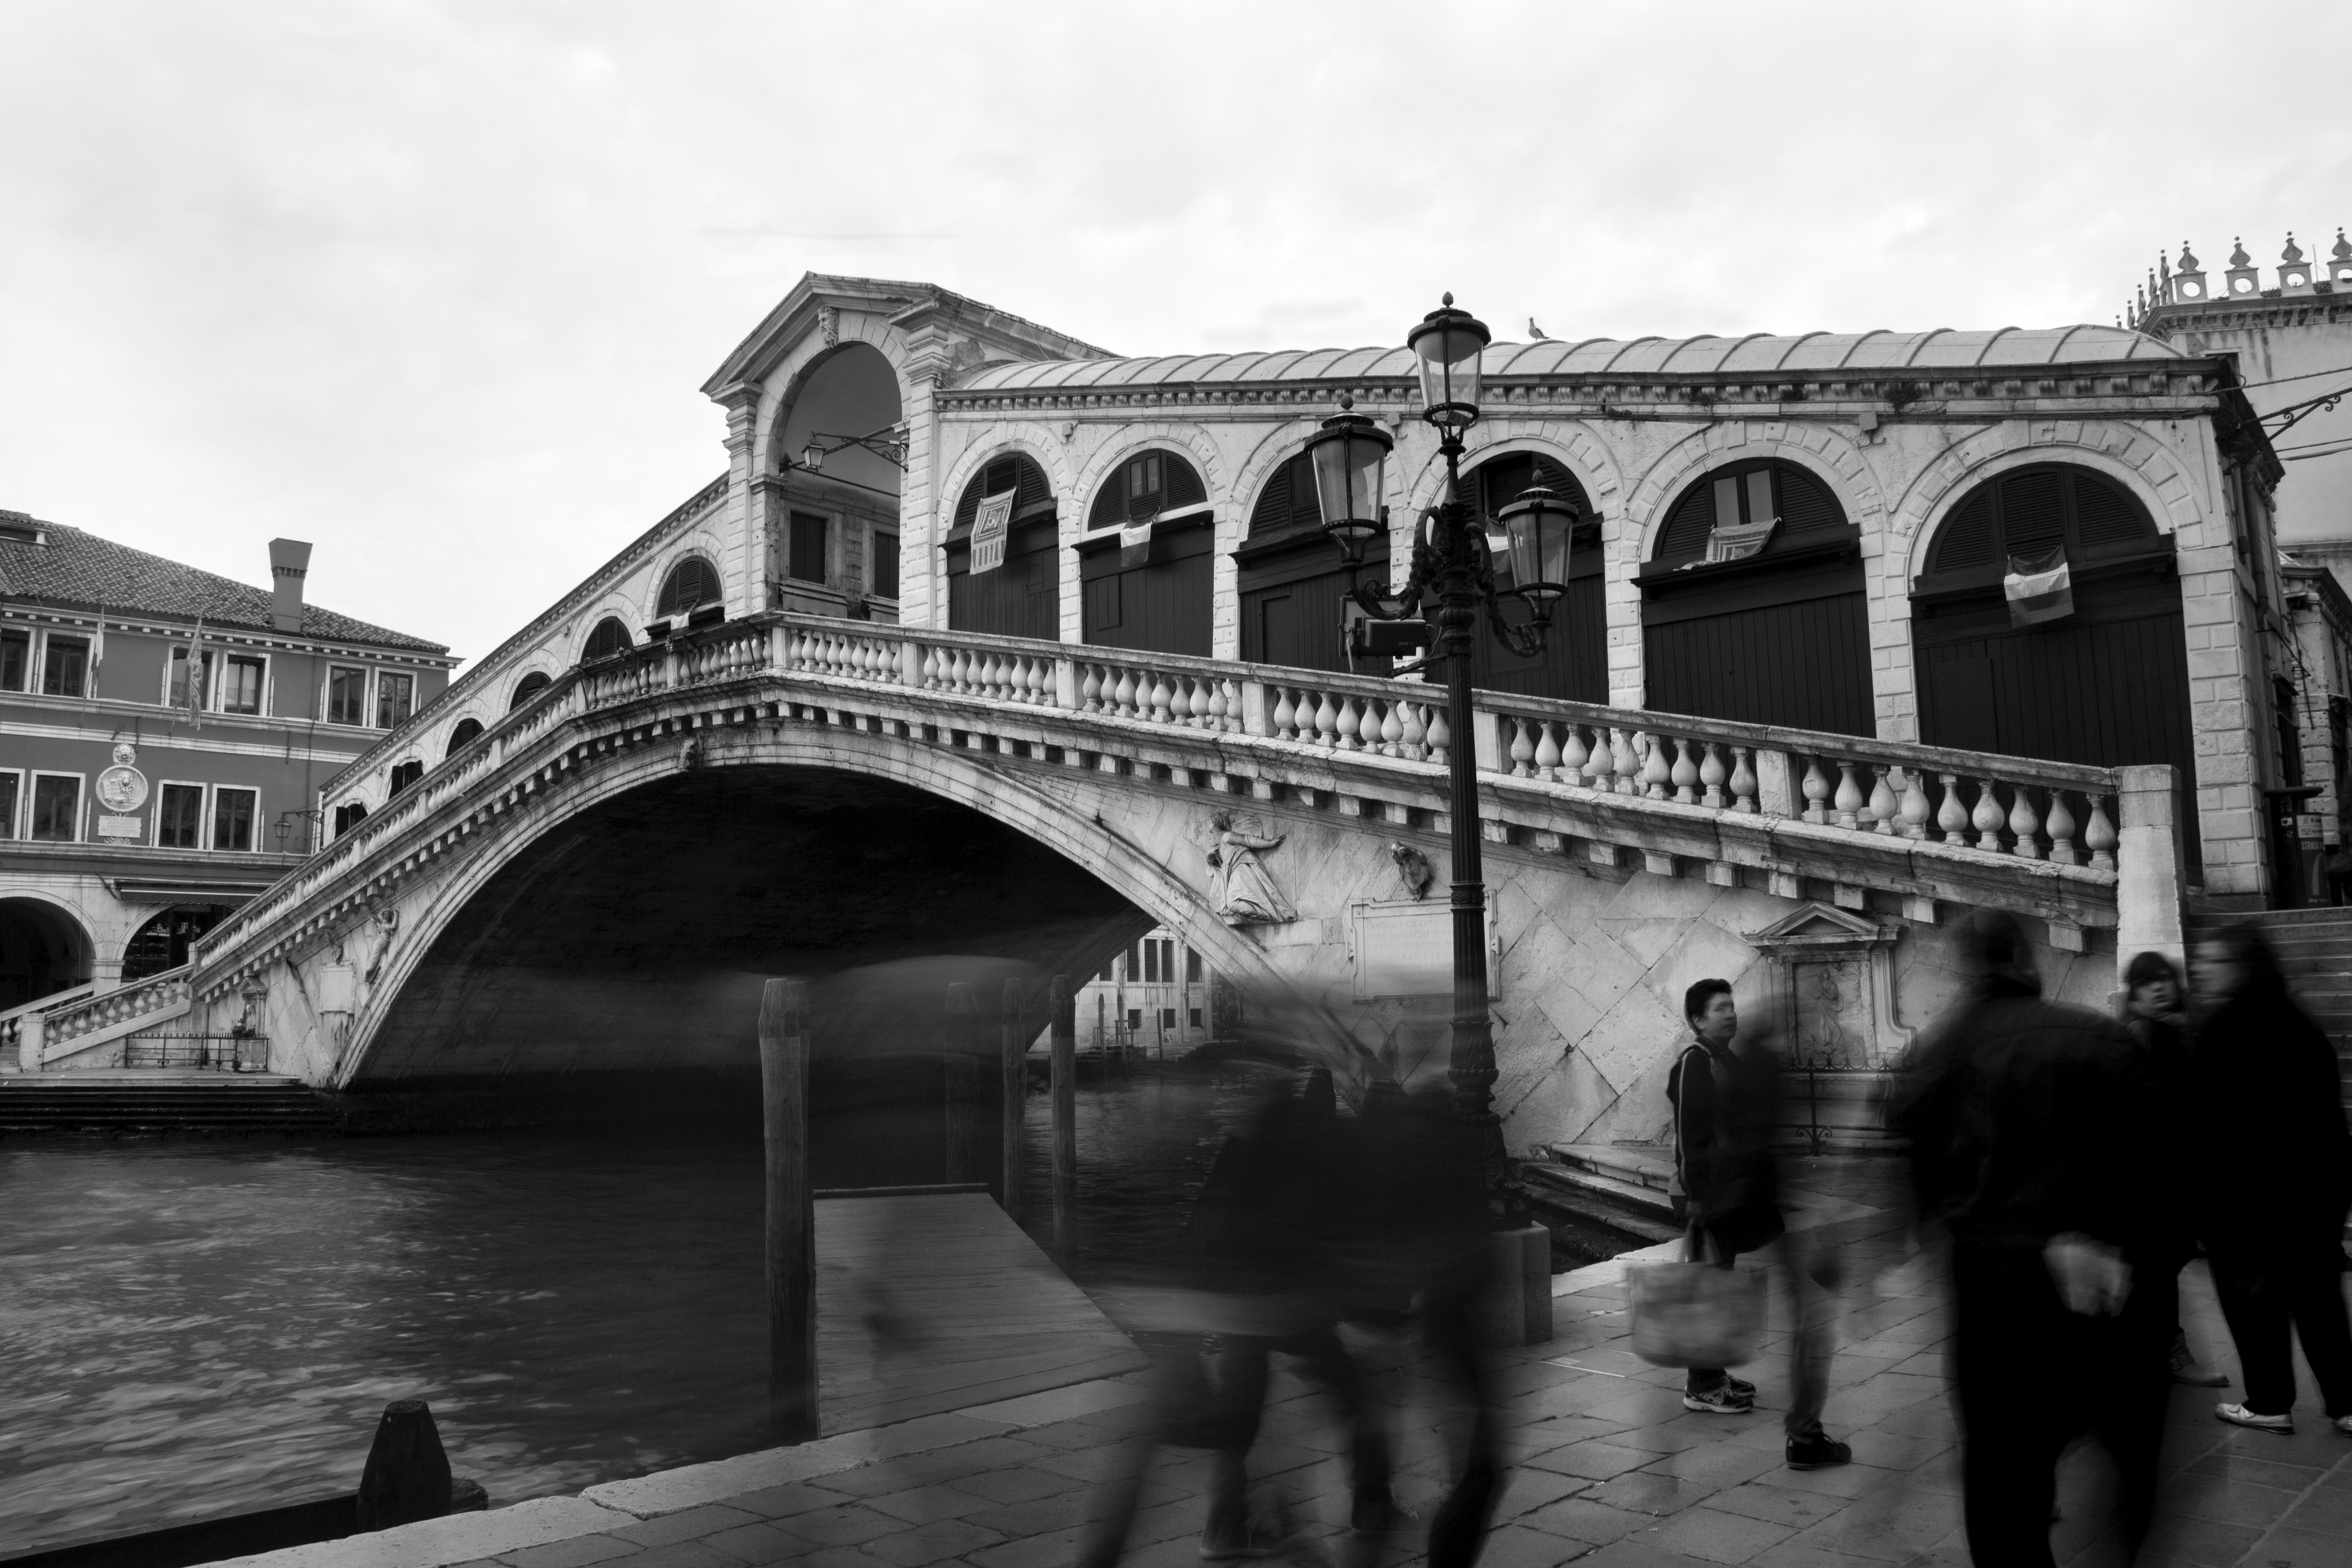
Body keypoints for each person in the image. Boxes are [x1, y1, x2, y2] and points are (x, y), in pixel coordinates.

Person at [1893, 911, 2176, 1566]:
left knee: (2000, 1471)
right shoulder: (2101, 1037)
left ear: (1967, 968)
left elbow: (1920, 1170)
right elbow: (2162, 1163)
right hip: (2105, 1275)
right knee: (2127, 1442)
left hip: (1994, 1284)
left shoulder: (1943, 1047)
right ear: (2028, 961)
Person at [1665, 979, 1849, 1468]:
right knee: (1708, 1289)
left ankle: (1710, 1375)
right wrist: (1697, 1196)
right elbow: (1689, 1135)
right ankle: (1702, 1385)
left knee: (1716, 1286)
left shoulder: (1728, 1060)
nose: (1729, 1014)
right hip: (1713, 1200)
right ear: (1697, 1019)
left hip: (1737, 1199)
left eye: (1731, 1006)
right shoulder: (1694, 1062)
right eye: (1718, 1008)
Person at [2186, 922, 2352, 1437]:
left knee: (2253, 1304)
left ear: (2240, 965)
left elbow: (2207, 1121)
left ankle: (2269, 1400)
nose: (2200, 969)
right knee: (2319, 1303)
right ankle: (2346, 1403)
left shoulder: (2221, 1026)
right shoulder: (2297, 1023)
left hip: (2248, 1200)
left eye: (2212, 960)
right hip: (2313, 1192)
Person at [2120, 949, 2231, 1388]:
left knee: (2158, 1271)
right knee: (2154, 1274)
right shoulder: (2129, 1039)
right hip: (2142, 1181)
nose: (2160, 987)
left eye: (2165, 979)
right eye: (2149, 982)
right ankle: (2167, 1351)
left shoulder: (2187, 1035)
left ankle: (2157, 1350)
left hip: (2178, 1178)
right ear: (2133, 992)